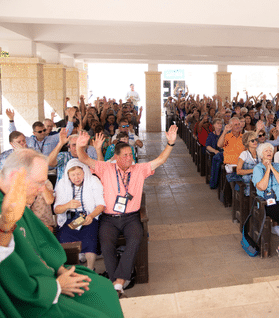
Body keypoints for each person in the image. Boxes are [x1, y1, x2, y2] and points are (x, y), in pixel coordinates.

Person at [0, 149, 123, 317]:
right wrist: (57, 286)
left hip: (48, 278)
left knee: (103, 288)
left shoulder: (15, 200)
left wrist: (60, 269)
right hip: (36, 298)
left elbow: (41, 242)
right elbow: (11, 277)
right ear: (16, 177)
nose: (43, 190)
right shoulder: (7, 210)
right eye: (39, 183)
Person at [76, 125, 178, 297]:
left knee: (136, 239)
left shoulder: (139, 169)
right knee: (106, 244)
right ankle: (118, 281)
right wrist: (80, 146)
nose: (129, 158)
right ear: (116, 157)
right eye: (125, 156)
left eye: (131, 155)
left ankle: (118, 281)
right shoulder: (106, 168)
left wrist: (170, 144)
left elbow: (160, 160)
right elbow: (84, 159)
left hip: (131, 217)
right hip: (109, 217)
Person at [54, 160, 105, 271]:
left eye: (79, 174)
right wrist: (67, 205)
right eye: (73, 175)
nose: (76, 178)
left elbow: (101, 205)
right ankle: (70, 271)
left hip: (89, 217)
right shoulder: (63, 183)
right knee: (63, 237)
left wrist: (91, 216)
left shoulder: (92, 181)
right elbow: (57, 209)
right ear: (68, 175)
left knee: (90, 238)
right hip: (71, 218)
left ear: (84, 172)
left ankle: (91, 269)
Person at [236, 131, 260, 196]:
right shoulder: (244, 154)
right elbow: (238, 171)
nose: (255, 142)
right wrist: (253, 170)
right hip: (249, 183)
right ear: (247, 142)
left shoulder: (260, 152)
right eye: (252, 141)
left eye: (256, 140)